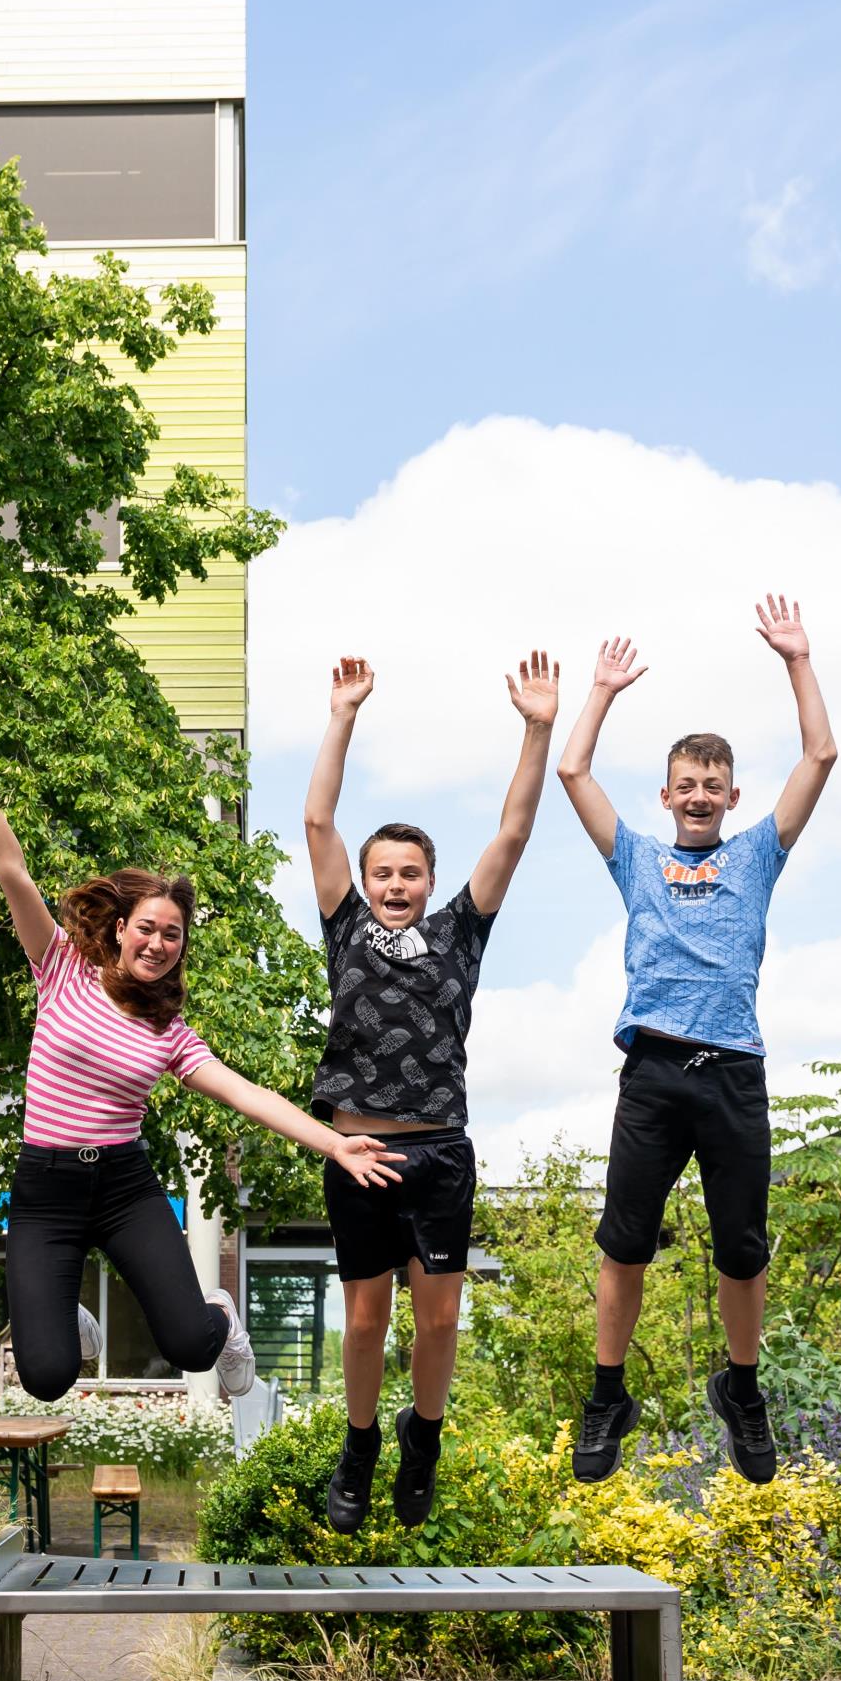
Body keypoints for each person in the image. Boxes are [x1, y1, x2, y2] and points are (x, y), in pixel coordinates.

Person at [0, 703, 404, 1409]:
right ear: (120, 930)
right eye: (147, 928)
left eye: (173, 935)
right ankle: (69, 1324)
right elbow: (13, 872)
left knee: (189, 1344)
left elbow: (246, 1094)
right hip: (46, 1188)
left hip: (121, 1186)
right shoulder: (60, 967)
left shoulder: (168, 1032)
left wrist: (334, 1144)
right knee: (47, 1376)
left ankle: (222, 1317)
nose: (158, 942)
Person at [556, 596, 838, 1486]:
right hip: (654, 1070)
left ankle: (741, 1389)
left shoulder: (757, 855)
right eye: (688, 785)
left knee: (741, 1247)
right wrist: (600, 691)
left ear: (732, 797)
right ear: (669, 793)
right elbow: (571, 771)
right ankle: (608, 1393)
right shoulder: (637, 857)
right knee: (624, 1241)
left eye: (715, 786)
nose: (701, 796)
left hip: (733, 1075)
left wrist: (797, 659)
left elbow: (821, 755)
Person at [303, 649, 560, 1534]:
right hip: (359, 1149)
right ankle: (362, 1443)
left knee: (441, 1321)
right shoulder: (345, 930)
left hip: (440, 1151)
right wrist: (343, 714)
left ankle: (426, 1436)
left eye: (410, 873)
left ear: (428, 881)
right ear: (366, 882)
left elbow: (514, 835)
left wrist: (537, 729)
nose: (396, 885)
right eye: (384, 873)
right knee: (369, 1319)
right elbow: (316, 820)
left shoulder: (460, 934)